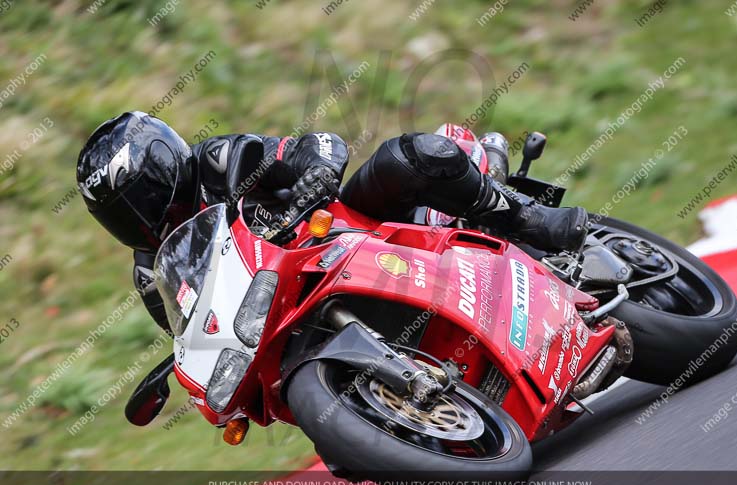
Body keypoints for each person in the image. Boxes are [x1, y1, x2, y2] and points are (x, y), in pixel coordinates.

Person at [76, 111, 587, 331]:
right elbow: (192, 333)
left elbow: (317, 146)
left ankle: (527, 220)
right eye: (119, 213)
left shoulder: (220, 160)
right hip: (289, 312)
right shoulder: (150, 273)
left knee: (412, 156)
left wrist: (315, 175)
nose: (137, 216)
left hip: (349, 229)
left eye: (136, 197)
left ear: (161, 165)